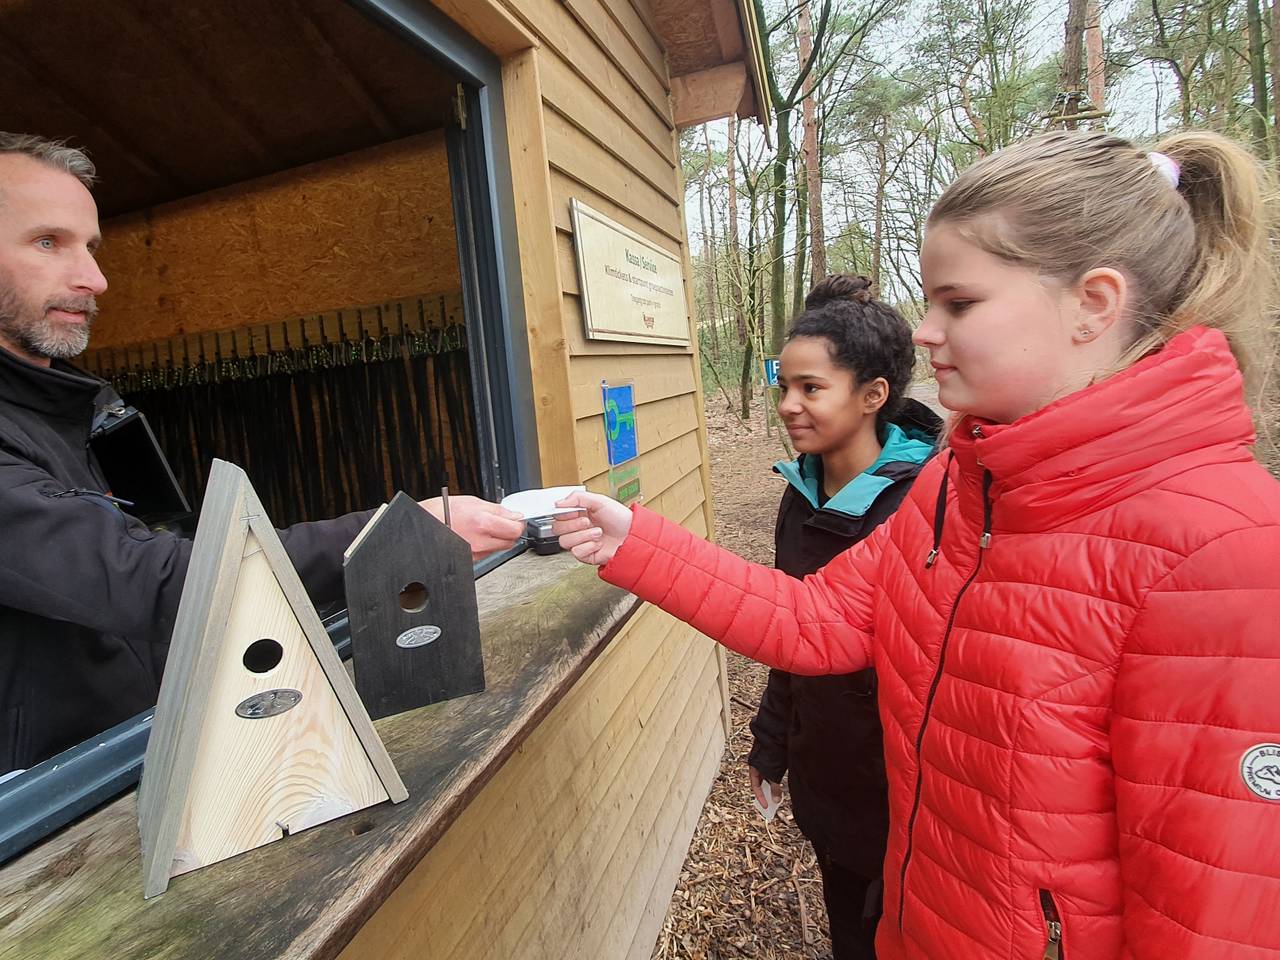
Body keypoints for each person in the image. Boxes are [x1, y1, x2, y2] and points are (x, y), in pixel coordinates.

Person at [555, 129, 1280, 958]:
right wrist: (632, 538)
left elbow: (1217, 917)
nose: (925, 333)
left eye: (958, 304)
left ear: (1095, 303)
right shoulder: (957, 488)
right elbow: (814, 619)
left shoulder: (1225, 553)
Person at [0, 132, 525, 774]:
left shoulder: (78, 410)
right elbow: (151, 581)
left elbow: (162, 551)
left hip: (142, 758)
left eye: (91, 246)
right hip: (47, 823)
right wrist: (393, 537)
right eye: (48, 242)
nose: (96, 279)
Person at [746, 274, 939, 958]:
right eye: (783, 386)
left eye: (810, 389)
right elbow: (788, 625)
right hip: (829, 778)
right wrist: (772, 743)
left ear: (873, 395)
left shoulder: (924, 503)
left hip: (912, 797)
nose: (788, 406)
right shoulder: (800, 493)